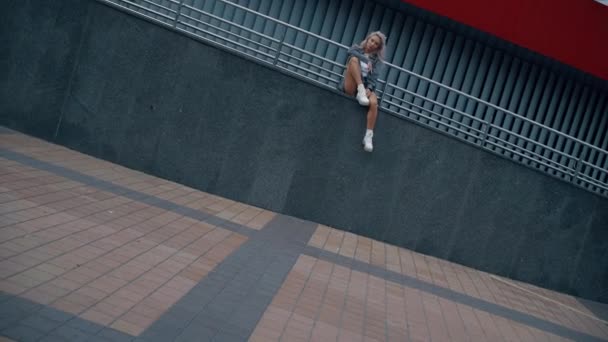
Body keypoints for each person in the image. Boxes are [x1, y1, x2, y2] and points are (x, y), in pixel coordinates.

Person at [340, 31, 386, 152]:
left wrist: (369, 89)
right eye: (372, 40)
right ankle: (360, 91)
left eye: (376, 43)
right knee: (353, 60)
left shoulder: (378, 62)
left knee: (374, 102)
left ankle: (368, 137)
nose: (372, 44)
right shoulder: (357, 48)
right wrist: (366, 60)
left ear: (378, 47)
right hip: (351, 86)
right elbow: (350, 52)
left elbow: (374, 79)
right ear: (368, 39)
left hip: (365, 88)